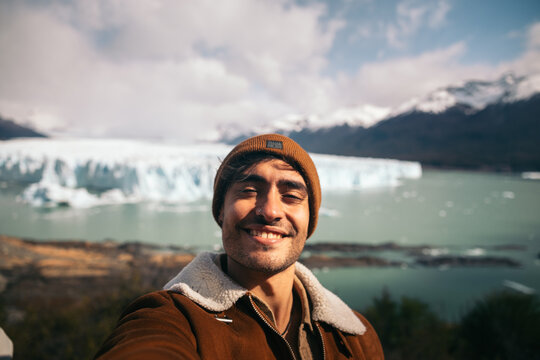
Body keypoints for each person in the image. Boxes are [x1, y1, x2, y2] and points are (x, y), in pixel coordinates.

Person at [95, 134, 384, 359]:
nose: (270, 211)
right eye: (248, 191)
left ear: (311, 220)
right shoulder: (171, 318)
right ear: (220, 210)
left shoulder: (355, 337)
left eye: (291, 196)